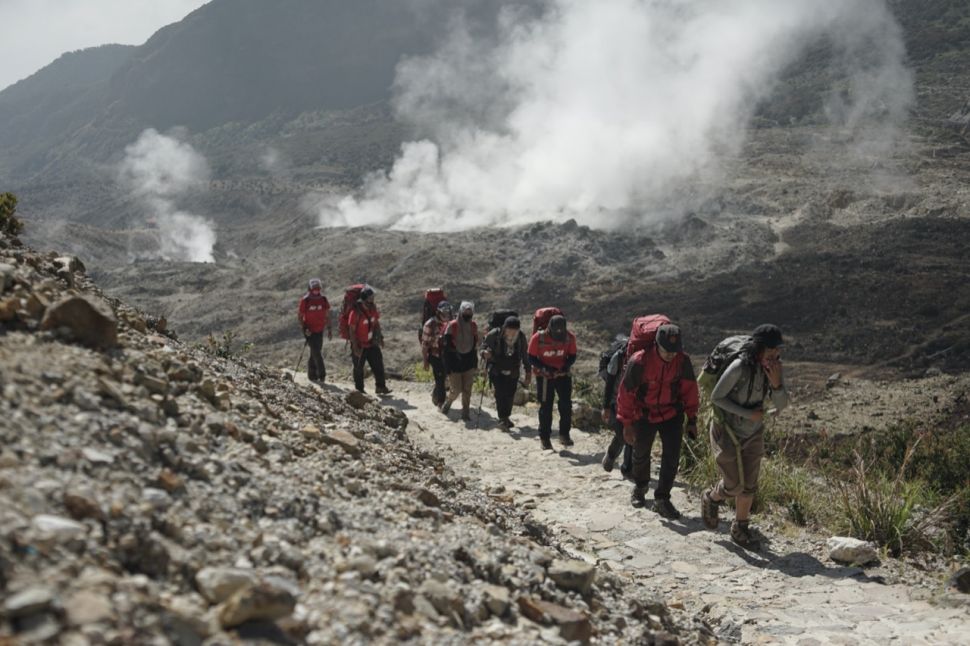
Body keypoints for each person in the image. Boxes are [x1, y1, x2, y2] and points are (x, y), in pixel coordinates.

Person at [701, 324, 788, 549]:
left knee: (749, 485)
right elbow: (716, 397)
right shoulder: (740, 367)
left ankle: (740, 528)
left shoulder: (771, 370)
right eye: (770, 353)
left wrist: (777, 384)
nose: (774, 358)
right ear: (759, 350)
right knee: (734, 485)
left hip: (752, 432)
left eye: (777, 353)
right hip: (726, 430)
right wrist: (749, 414)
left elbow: (782, 405)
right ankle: (712, 498)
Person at [616, 323, 699, 519]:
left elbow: (690, 390)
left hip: (672, 414)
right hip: (644, 415)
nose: (671, 354)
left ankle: (662, 499)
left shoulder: (682, 361)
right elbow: (626, 394)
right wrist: (626, 423)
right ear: (656, 345)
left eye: (674, 350)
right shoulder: (640, 362)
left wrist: (692, 418)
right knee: (641, 453)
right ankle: (640, 487)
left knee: (671, 457)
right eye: (667, 350)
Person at [528, 314, 577, 449]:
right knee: (546, 407)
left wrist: (565, 367)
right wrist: (546, 368)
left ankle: (564, 435)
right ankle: (545, 438)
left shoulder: (569, 337)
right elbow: (531, 357)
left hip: (563, 375)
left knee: (566, 406)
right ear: (549, 329)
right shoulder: (538, 338)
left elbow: (572, 356)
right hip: (544, 377)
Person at [481, 316, 531, 430]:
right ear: (505, 328)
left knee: (510, 394)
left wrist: (528, 373)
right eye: (510, 330)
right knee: (500, 393)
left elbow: (525, 355)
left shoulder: (521, 337)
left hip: (513, 370)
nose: (512, 333)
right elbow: (483, 347)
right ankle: (502, 419)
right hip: (496, 369)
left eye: (515, 331)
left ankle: (506, 417)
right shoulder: (495, 334)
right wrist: (484, 353)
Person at [347, 286, 391, 395]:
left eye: (372, 298)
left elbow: (376, 323)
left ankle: (380, 387)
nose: (372, 300)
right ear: (364, 299)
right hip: (360, 345)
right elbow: (351, 330)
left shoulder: (373, 309)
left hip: (371, 343)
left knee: (378, 364)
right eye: (370, 298)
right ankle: (359, 390)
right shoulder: (355, 313)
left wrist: (380, 337)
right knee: (358, 368)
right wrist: (355, 346)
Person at [440, 301, 479, 421]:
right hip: (455, 362)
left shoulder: (473, 326)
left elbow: (474, 345)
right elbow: (446, 349)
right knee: (456, 389)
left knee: (467, 389)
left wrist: (475, 363)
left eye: (470, 312)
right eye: (466, 312)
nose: (468, 314)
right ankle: (448, 401)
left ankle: (465, 413)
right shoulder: (452, 326)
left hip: (468, 362)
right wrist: (447, 367)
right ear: (461, 312)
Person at [600, 339, 633, 477]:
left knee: (632, 435)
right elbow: (610, 382)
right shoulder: (619, 357)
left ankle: (627, 468)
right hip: (616, 400)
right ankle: (612, 454)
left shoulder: (648, 358)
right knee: (622, 433)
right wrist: (606, 406)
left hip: (636, 403)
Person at [297, 278, 332, 383]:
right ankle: (322, 375)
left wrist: (329, 329)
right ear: (310, 288)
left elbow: (327, 315)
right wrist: (305, 328)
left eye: (318, 288)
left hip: (320, 330)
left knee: (315, 352)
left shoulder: (323, 299)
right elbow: (300, 316)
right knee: (316, 352)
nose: (316, 290)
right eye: (314, 288)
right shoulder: (305, 300)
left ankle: (312, 375)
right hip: (309, 331)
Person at [422, 300, 453, 407]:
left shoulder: (450, 323)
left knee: (443, 378)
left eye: (448, 313)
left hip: (446, 356)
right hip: (435, 356)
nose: (447, 315)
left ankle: (436, 396)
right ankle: (441, 402)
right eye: (444, 313)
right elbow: (425, 345)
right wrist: (425, 361)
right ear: (439, 312)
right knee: (440, 378)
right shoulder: (430, 324)